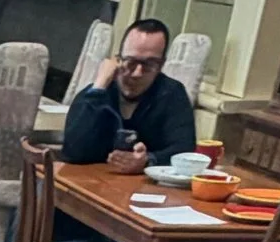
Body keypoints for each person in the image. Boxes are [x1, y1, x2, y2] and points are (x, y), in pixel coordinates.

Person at [61, 18, 197, 172]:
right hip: (91, 184)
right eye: (131, 62)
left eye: (149, 65)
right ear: (118, 60)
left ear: (161, 66)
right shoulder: (95, 96)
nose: (137, 73)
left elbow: (184, 152)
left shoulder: (172, 94)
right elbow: (72, 152)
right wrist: (98, 87)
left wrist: (148, 160)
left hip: (146, 189)